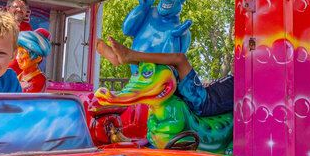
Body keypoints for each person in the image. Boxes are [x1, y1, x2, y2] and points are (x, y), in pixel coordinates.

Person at [96, 36, 233, 117]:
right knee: (168, 67)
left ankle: (128, 56)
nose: (234, 60)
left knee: (180, 58)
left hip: (203, 101)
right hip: (199, 93)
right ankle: (120, 59)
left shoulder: (244, 82)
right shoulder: (231, 78)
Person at [10, 27, 51, 92]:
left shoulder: (39, 79)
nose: (17, 58)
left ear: (37, 58)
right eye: (17, 53)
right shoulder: (20, 76)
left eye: (22, 53)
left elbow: (28, 100)